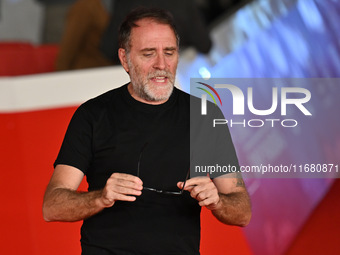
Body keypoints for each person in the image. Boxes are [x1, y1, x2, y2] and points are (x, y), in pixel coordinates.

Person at [43, 7, 251, 254]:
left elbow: (242, 211)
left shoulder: (205, 117)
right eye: (148, 54)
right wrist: (100, 198)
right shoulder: (92, 115)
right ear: (125, 59)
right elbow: (52, 206)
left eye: (169, 52)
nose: (161, 65)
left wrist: (217, 201)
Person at [55, 0, 113, 71]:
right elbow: (69, 47)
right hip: (86, 73)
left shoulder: (118, 5)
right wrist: (61, 78)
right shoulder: (86, 7)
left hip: (110, 71)